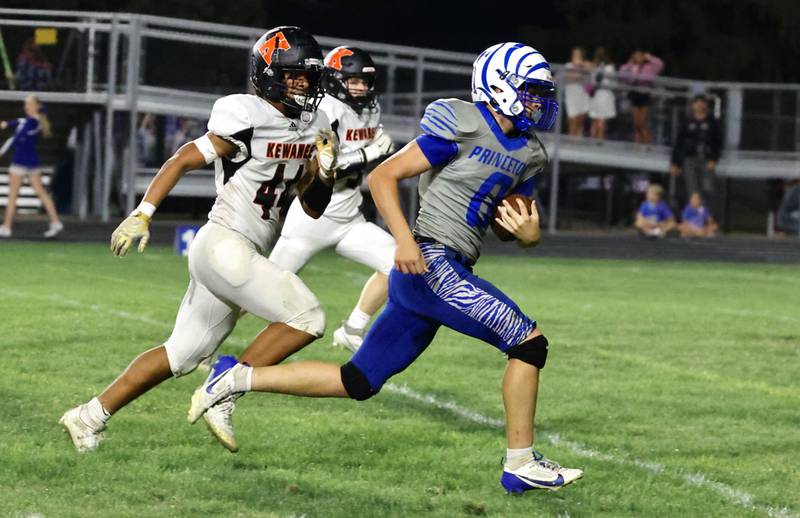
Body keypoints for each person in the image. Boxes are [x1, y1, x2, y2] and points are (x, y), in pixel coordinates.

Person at [189, 42, 583, 493]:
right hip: (431, 262)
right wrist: (404, 241)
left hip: (444, 268)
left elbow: (511, 225)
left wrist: (528, 238)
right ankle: (521, 463)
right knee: (528, 344)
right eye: (531, 91)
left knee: (357, 380)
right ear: (500, 86)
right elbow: (383, 176)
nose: (539, 101)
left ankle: (234, 375)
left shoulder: (530, 152)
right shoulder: (465, 122)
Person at [59, 26, 338, 454]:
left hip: (239, 250)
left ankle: (88, 416)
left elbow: (313, 206)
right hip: (224, 243)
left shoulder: (315, 124)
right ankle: (226, 384)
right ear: (267, 74)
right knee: (309, 318)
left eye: (308, 76)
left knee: (182, 355)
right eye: (293, 75)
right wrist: (143, 213)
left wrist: (325, 171)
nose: (303, 85)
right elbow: (183, 158)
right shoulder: (246, 113)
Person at [269, 46, 396, 353]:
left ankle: (353, 329)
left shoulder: (370, 109)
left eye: (365, 82)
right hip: (312, 217)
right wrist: (370, 153)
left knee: (399, 266)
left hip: (350, 216)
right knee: (259, 289)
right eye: (354, 81)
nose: (361, 88)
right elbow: (325, 162)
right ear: (336, 79)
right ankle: (207, 347)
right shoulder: (322, 109)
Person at [0, 95, 63, 238]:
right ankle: (55, 222)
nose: (25, 107)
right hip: (32, 163)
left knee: (13, 195)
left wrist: (3, 150)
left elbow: (15, 139)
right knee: (41, 193)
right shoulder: (37, 121)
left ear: (36, 106)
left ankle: (7, 227)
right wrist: (6, 124)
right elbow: (16, 122)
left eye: (28, 104)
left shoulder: (30, 122)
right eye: (25, 104)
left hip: (20, 163)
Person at [669, 94, 722, 210]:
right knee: (692, 188)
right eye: (697, 102)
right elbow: (678, 143)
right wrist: (674, 163)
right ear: (693, 105)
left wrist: (713, 159)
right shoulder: (687, 121)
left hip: (706, 158)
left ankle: (706, 216)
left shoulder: (713, 122)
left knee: (708, 187)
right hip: (689, 158)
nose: (699, 104)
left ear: (706, 105)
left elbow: (718, 143)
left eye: (702, 102)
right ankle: (691, 217)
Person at [619, 50, 663, 144]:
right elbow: (622, 73)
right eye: (636, 56)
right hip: (634, 94)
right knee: (636, 124)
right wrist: (629, 63)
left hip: (645, 94)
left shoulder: (650, 66)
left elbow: (660, 64)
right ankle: (638, 144)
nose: (638, 58)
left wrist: (649, 57)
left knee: (642, 123)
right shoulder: (632, 66)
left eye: (640, 56)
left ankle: (646, 143)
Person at [588, 47, 616, 140]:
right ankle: (592, 144)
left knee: (601, 121)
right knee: (595, 120)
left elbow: (606, 82)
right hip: (595, 95)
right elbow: (592, 81)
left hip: (605, 95)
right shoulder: (595, 66)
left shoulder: (609, 68)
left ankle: (599, 142)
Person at [564, 46, 591, 137]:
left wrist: (581, 65)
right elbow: (568, 76)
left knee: (580, 121)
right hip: (571, 96)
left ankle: (578, 143)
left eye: (578, 54)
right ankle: (571, 141)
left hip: (582, 95)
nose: (576, 56)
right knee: (573, 120)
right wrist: (579, 75)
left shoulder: (585, 65)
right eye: (575, 54)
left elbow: (591, 68)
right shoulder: (568, 65)